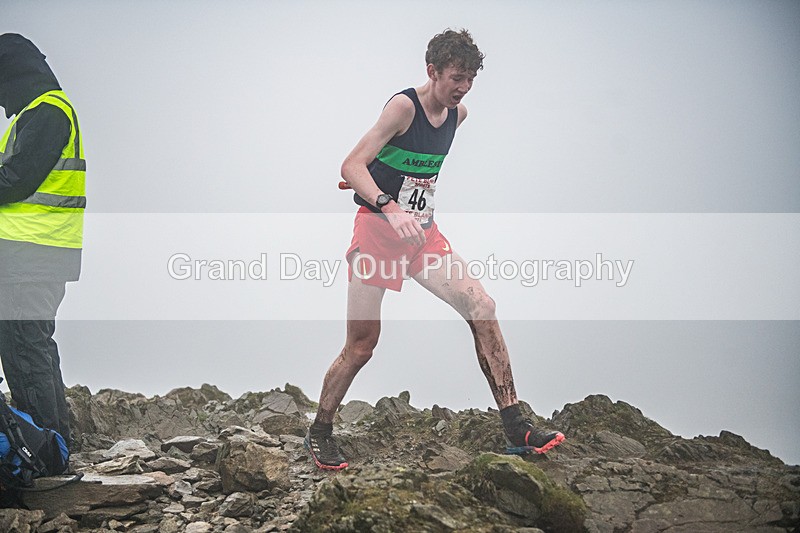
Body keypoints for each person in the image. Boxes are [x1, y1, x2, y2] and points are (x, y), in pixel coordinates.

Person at [304, 29, 564, 470]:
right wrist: (388, 205)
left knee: (481, 305)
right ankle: (320, 430)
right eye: (456, 78)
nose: (463, 87)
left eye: (470, 79)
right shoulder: (404, 107)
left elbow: (409, 165)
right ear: (432, 71)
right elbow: (352, 165)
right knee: (362, 345)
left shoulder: (459, 115)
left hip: (423, 236)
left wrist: (397, 191)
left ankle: (515, 425)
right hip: (378, 233)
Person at [0, 34, 86, 446]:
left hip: (30, 256)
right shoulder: (43, 112)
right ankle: (52, 445)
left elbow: (15, 180)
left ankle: (43, 451)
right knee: (33, 347)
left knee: (25, 350)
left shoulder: (47, 112)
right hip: (37, 254)